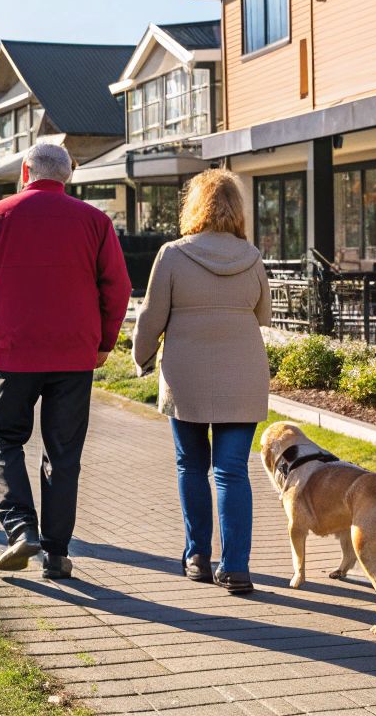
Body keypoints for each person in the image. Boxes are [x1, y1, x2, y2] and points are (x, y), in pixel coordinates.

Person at [0, 142, 131, 579]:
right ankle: (56, 553)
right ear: (68, 175)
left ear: (25, 171)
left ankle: (20, 529)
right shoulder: (95, 221)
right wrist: (104, 343)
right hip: (75, 354)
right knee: (63, 452)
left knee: (5, 437)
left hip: (14, 351)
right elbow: (117, 287)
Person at [131, 169, 272, 594]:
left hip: (186, 376)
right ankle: (237, 567)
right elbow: (263, 316)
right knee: (232, 471)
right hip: (243, 374)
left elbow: (151, 317)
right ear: (237, 209)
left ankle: (197, 556)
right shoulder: (252, 257)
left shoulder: (173, 255)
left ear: (195, 206)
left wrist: (141, 357)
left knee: (191, 466)